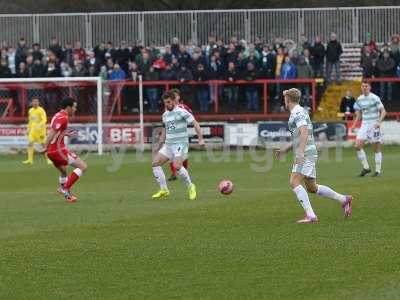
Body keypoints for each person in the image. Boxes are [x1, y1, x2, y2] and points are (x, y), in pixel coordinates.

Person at [275, 88, 353, 223]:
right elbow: (299, 135)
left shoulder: (297, 112)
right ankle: (344, 199)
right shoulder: (298, 110)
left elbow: (304, 132)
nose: (284, 100)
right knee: (312, 187)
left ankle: (311, 215)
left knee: (294, 182)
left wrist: (300, 152)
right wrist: (285, 149)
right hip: (309, 152)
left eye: (285, 98)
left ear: (288, 100)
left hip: (305, 153)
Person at [151, 91, 205, 200]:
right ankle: (164, 190)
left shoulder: (181, 111)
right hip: (168, 144)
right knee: (155, 163)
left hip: (180, 144)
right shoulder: (165, 115)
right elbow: (165, 131)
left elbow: (195, 123)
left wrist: (201, 139)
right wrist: (159, 145)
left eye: (168, 102)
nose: (166, 104)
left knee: (177, 165)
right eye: (165, 102)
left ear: (174, 101)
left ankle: (191, 186)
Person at [44, 97, 88, 203]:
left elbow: (57, 131)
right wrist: (44, 147)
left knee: (63, 172)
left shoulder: (57, 115)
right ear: (68, 107)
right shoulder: (63, 118)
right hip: (58, 150)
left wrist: (66, 134)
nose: (75, 109)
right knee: (83, 167)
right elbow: (52, 133)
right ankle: (65, 190)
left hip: (52, 152)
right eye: (74, 107)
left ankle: (63, 189)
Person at [351, 82, 387, 177]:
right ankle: (366, 168)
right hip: (364, 125)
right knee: (357, 146)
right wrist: (354, 125)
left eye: (366, 86)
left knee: (376, 148)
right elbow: (359, 114)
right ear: (361, 87)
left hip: (374, 124)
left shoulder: (375, 98)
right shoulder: (359, 99)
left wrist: (378, 122)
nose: (364, 88)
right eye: (363, 86)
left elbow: (383, 111)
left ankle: (378, 171)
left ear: (370, 87)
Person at [168, 89, 192, 181]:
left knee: (183, 157)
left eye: (176, 95)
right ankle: (173, 174)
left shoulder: (183, 107)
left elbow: (191, 117)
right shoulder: (168, 109)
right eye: (172, 96)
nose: (174, 97)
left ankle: (184, 171)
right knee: (170, 156)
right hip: (172, 136)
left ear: (179, 97)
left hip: (182, 136)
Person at [22, 98, 52, 165]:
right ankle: (30, 160)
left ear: (38, 103)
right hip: (33, 131)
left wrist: (39, 125)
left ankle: (49, 159)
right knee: (30, 143)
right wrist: (28, 129)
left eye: (36, 102)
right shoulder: (30, 110)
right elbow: (30, 121)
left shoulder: (41, 110)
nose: (35, 103)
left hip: (41, 131)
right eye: (34, 102)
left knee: (44, 145)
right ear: (32, 103)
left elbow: (44, 120)